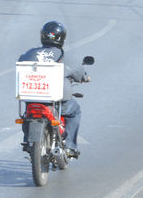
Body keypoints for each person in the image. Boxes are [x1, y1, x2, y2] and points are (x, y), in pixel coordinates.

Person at [18, 20, 90, 158]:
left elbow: (20, 64)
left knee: (27, 115)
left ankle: (28, 141)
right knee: (75, 112)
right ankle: (70, 147)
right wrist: (85, 78)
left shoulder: (29, 53)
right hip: (57, 101)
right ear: (62, 38)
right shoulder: (65, 57)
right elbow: (80, 75)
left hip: (32, 97)